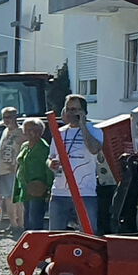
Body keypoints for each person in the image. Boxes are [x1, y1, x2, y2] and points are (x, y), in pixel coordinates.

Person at [48, 94, 104, 232]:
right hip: (59, 192)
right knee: (55, 235)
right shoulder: (59, 132)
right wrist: (50, 163)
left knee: (88, 234)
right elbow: (50, 157)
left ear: (83, 111)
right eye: (68, 109)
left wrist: (82, 126)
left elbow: (94, 149)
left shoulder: (95, 130)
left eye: (74, 109)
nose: (70, 113)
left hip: (84, 192)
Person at [14, 119, 54, 231]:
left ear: (41, 131)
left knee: (34, 221)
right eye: (28, 130)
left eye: (36, 130)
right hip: (25, 189)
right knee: (26, 221)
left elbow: (49, 170)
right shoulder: (25, 146)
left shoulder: (44, 148)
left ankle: (37, 241)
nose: (32, 132)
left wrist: (48, 188)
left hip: (38, 189)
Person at [0, 107, 23, 234]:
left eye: (8, 117)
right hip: (3, 170)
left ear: (15, 117)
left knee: (17, 199)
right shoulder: (5, 131)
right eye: (4, 117)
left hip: (14, 170)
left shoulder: (21, 132)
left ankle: (20, 225)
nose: (6, 120)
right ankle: (12, 224)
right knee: (7, 198)